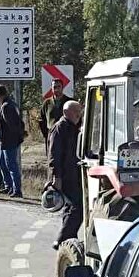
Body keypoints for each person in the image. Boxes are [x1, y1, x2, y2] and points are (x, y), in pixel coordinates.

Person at [49, 100, 84, 249]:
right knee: (77, 207)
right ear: (66, 112)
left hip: (75, 172)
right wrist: (56, 177)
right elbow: (53, 155)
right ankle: (63, 238)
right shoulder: (59, 128)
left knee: (70, 207)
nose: (78, 114)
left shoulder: (75, 127)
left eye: (79, 111)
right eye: (75, 111)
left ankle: (68, 239)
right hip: (65, 174)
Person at [0, 84, 26, 198]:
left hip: (9, 141)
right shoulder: (9, 104)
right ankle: (8, 187)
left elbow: (12, 125)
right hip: (5, 141)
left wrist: (15, 137)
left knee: (11, 165)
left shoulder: (7, 106)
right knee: (2, 163)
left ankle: (17, 190)